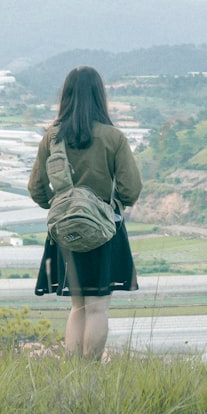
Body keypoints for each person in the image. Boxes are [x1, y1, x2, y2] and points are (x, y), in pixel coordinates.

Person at [28, 66, 142, 360]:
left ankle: (73, 371)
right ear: (99, 96)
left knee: (77, 306)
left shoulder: (51, 138)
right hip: (105, 231)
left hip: (65, 233)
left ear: (65, 97)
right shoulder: (113, 137)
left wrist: (61, 207)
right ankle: (90, 373)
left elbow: (36, 188)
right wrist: (108, 206)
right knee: (98, 307)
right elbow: (131, 189)